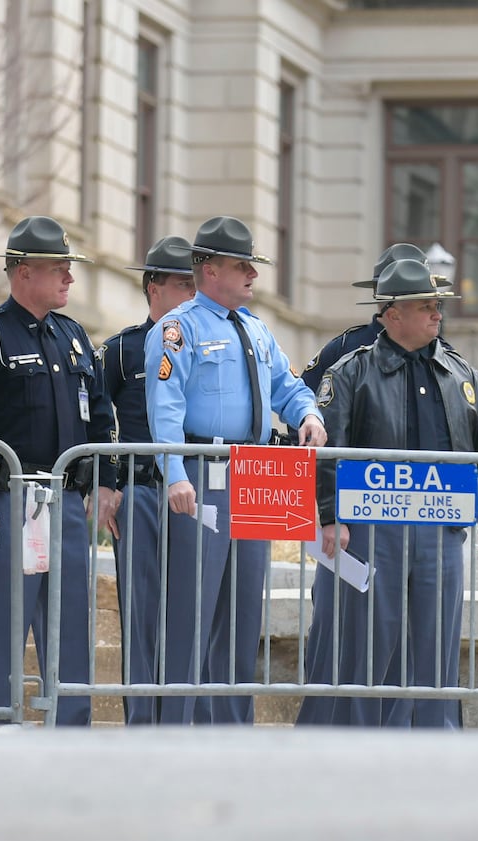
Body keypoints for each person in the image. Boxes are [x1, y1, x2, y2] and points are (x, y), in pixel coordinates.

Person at [144, 215, 326, 724]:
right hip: (204, 471)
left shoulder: (256, 330)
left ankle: (229, 727)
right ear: (208, 270)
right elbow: (166, 409)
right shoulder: (178, 330)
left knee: (245, 610)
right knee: (193, 610)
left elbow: (288, 387)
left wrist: (308, 415)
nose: (252, 275)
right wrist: (174, 472)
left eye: (252, 265)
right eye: (240, 265)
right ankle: (177, 727)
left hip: (257, 472)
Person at [313, 258, 478, 729]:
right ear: (393, 313)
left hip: (440, 532)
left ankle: (434, 743)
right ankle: (360, 741)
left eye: (438, 305)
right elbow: (327, 450)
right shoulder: (350, 372)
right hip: (373, 529)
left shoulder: (462, 375)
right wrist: (330, 514)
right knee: (368, 645)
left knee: (435, 646)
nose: (437, 313)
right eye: (427, 306)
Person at [0, 216, 119, 725]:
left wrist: (106, 479)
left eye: (70, 267)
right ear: (23, 272)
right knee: (3, 622)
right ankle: (0, 728)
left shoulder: (74, 336)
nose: (69, 277)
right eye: (58, 268)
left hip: (64, 497)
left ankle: (71, 728)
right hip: (4, 500)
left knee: (70, 623)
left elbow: (103, 414)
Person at [297, 243, 448, 726]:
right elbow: (313, 428)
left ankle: (408, 732)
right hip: (361, 522)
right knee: (347, 633)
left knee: (420, 641)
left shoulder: (446, 362)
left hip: (426, 519)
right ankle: (335, 730)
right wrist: (325, 512)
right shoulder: (346, 355)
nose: (433, 310)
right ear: (388, 305)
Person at [101, 236, 196, 725]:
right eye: (184, 284)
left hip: (196, 491)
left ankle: (184, 717)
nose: (193, 293)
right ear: (153, 287)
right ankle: (142, 716)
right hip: (140, 489)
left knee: (193, 608)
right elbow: (98, 417)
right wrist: (106, 483)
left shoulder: (205, 342)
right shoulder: (123, 350)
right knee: (140, 610)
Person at [298, 243, 450, 394]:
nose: (437, 315)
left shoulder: (444, 355)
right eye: (424, 304)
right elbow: (302, 403)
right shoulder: (344, 348)